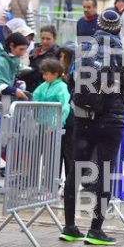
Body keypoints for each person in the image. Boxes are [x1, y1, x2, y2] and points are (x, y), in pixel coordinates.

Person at [63, 9, 124, 244]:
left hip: (83, 118)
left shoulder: (83, 51)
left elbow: (71, 83)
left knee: (75, 170)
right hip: (111, 121)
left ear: (97, 25)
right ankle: (96, 230)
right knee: (105, 173)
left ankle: (69, 226)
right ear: (118, 29)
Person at [32, 59, 72, 191]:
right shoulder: (43, 86)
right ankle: (45, 184)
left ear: (56, 74)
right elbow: (35, 97)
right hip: (42, 125)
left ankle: (53, 186)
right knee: (44, 156)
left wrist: (56, 124)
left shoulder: (61, 87)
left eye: (47, 74)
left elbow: (64, 106)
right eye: (43, 74)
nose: (44, 76)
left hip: (54, 127)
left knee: (53, 157)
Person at [24, 25, 60, 93]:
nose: (44, 41)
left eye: (48, 39)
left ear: (55, 39)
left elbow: (38, 71)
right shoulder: (34, 50)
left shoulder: (56, 54)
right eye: (42, 38)